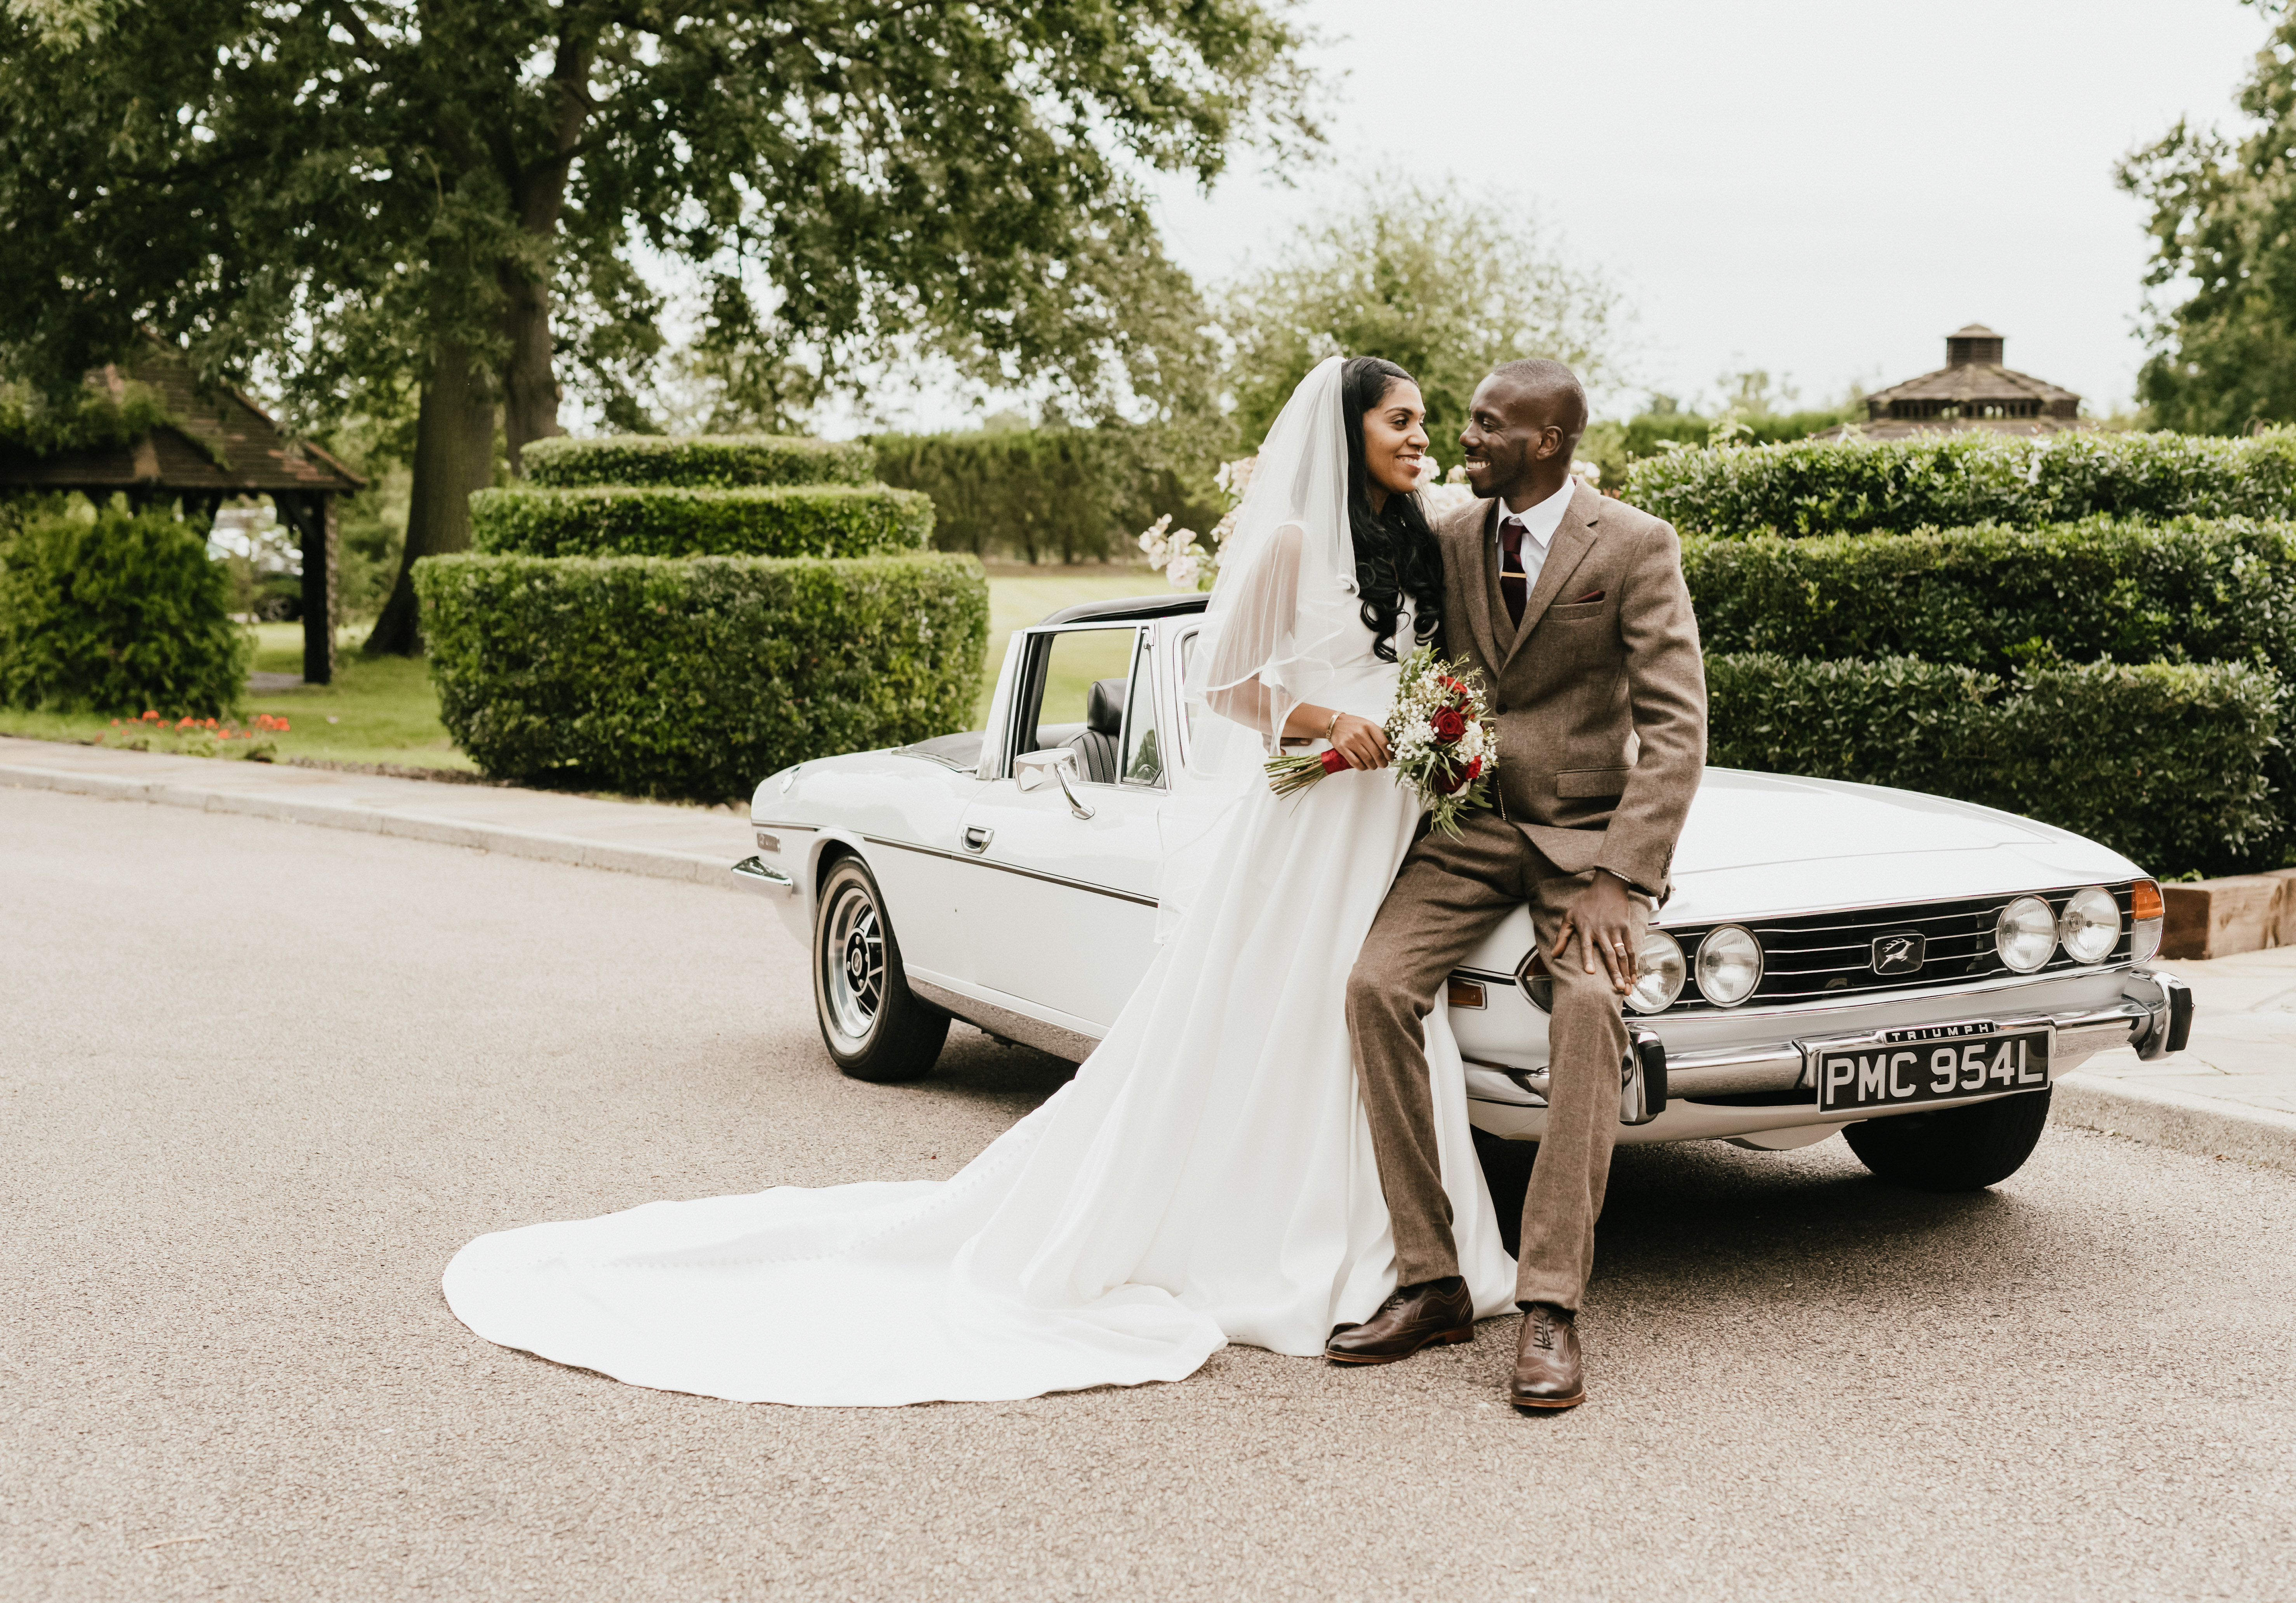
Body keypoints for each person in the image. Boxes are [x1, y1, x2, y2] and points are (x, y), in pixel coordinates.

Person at [441, 356, 1517, 1406]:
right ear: (1347, 431)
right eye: (1400, 421)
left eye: (1426, 420)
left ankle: (1414, 1249)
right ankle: (1296, 1244)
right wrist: (1340, 724)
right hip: (1313, 818)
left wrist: (1435, 735)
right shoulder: (1288, 538)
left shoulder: (1414, 540)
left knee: (1377, 1006)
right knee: (1291, 1014)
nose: (1421, 437)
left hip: (1393, 818)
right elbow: (1223, 685)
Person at [1334, 359, 1707, 1412]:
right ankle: (1433, 1277)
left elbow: (1678, 732)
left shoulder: (1635, 545)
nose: (1466, 439)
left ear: (1548, 441)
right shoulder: (1453, 537)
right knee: (1374, 989)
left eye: (1488, 426)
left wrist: (1620, 881)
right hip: (1471, 828)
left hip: (1588, 840)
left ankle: (1552, 1306)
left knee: (1589, 1005)